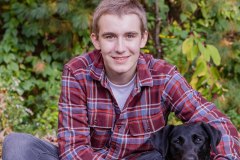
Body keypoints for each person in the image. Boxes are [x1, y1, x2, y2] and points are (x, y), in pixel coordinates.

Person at [2, 0, 239, 160]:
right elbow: (74, 150)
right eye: (109, 37)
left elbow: (218, 124)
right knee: (18, 145)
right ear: (96, 40)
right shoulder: (77, 72)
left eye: (129, 35)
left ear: (143, 38)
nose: (120, 48)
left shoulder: (163, 76)